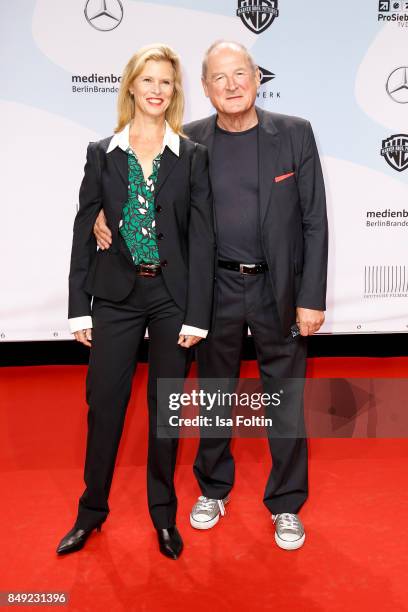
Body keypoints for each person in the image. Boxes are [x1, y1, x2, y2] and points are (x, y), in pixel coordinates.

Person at [93, 40, 328, 551]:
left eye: (239, 74)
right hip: (211, 287)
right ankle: (214, 488)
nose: (231, 85)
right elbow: (153, 204)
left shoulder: (294, 133)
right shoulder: (189, 142)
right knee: (216, 394)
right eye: (218, 78)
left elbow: (314, 220)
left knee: (282, 399)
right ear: (203, 88)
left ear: (256, 77)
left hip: (278, 289)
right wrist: (101, 213)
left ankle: (286, 503)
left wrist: (311, 297)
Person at [56, 44, 215, 560]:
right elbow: (86, 228)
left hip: (172, 298)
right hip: (117, 298)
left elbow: (203, 238)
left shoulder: (191, 156)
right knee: (104, 407)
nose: (156, 90)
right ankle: (91, 512)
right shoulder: (103, 152)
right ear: (130, 86)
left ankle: (163, 515)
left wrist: (197, 312)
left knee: (166, 409)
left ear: (175, 91)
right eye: (147, 80)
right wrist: (80, 305)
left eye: (165, 82)